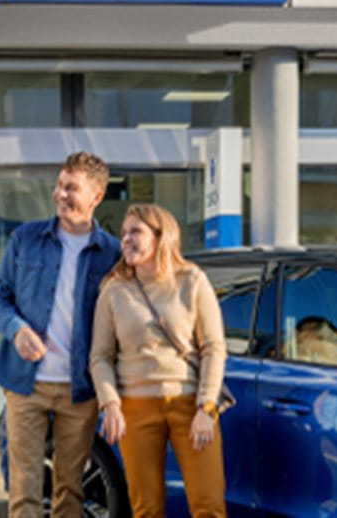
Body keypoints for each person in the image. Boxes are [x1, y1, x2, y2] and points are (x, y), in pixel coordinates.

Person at [0, 151, 120, 518]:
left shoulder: (112, 254)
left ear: (96, 196)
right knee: (23, 485)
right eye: (60, 185)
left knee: (70, 488)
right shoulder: (26, 239)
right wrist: (16, 330)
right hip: (25, 382)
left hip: (79, 388)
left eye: (72, 188)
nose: (61, 194)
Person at [90, 203, 227, 518]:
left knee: (208, 506)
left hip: (191, 405)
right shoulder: (113, 290)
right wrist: (110, 404)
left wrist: (207, 407)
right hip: (135, 408)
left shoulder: (192, 280)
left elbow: (214, 348)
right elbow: (100, 356)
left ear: (160, 236)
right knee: (146, 509)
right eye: (124, 233)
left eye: (136, 232)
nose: (126, 239)